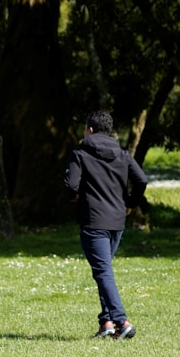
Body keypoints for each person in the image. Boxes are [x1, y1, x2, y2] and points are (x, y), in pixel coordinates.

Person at [63, 110, 149, 340]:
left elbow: (71, 186)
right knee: (104, 272)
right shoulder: (122, 154)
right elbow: (141, 179)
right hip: (117, 221)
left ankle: (122, 322)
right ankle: (107, 323)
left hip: (93, 221)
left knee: (103, 272)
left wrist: (75, 197)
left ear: (89, 130)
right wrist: (129, 203)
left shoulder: (80, 153)